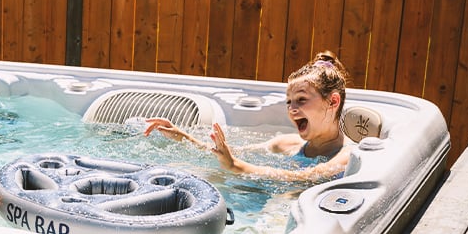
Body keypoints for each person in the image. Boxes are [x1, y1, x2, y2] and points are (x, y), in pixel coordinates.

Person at [144, 51, 353, 181]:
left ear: (333, 102)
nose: (291, 108)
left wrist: (236, 166)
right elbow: (232, 153)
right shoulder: (286, 143)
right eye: (289, 101)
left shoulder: (347, 156)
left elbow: (299, 178)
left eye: (301, 100)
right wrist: (183, 137)